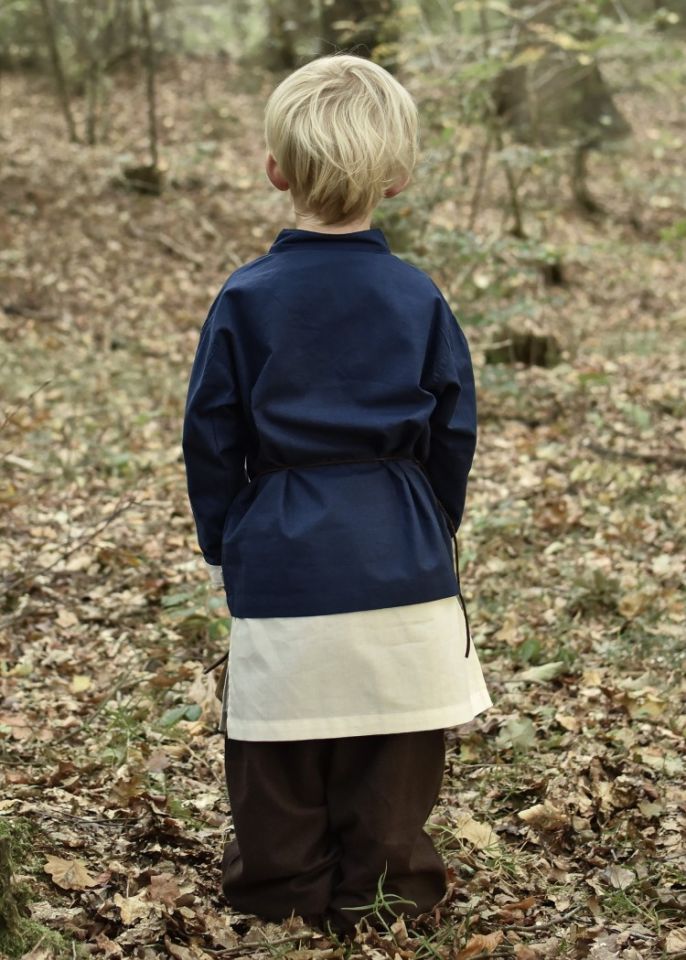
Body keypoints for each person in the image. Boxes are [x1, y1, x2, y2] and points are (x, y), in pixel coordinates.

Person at [182, 53, 493, 936]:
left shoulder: (247, 297)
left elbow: (211, 434)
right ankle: (386, 889)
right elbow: (452, 431)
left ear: (275, 168)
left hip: (281, 543)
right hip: (400, 546)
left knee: (277, 740)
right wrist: (431, 525)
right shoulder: (417, 296)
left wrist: (224, 539)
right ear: (396, 178)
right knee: (397, 740)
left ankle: (280, 896)